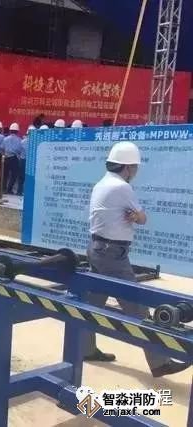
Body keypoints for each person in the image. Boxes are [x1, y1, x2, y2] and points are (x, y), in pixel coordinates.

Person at [84, 141, 189, 378]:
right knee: (138, 307)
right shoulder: (122, 187)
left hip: (99, 249)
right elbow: (142, 218)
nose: (136, 172)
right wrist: (137, 216)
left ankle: (84, 349)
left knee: (91, 304)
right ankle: (160, 362)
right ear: (128, 167)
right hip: (113, 254)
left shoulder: (102, 183)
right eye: (135, 167)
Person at [2, 123, 23, 194]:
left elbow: (2, 148)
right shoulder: (19, 140)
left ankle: (3, 189)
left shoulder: (5, 139)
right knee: (14, 175)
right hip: (14, 158)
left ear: (10, 130)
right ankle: (9, 189)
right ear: (17, 131)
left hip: (6, 157)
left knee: (5, 174)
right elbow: (20, 150)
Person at [17, 126, 34, 196]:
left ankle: (19, 191)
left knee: (21, 177)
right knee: (30, 177)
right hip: (31, 161)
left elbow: (18, 151)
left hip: (23, 160)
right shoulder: (35, 142)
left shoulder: (23, 141)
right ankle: (28, 191)